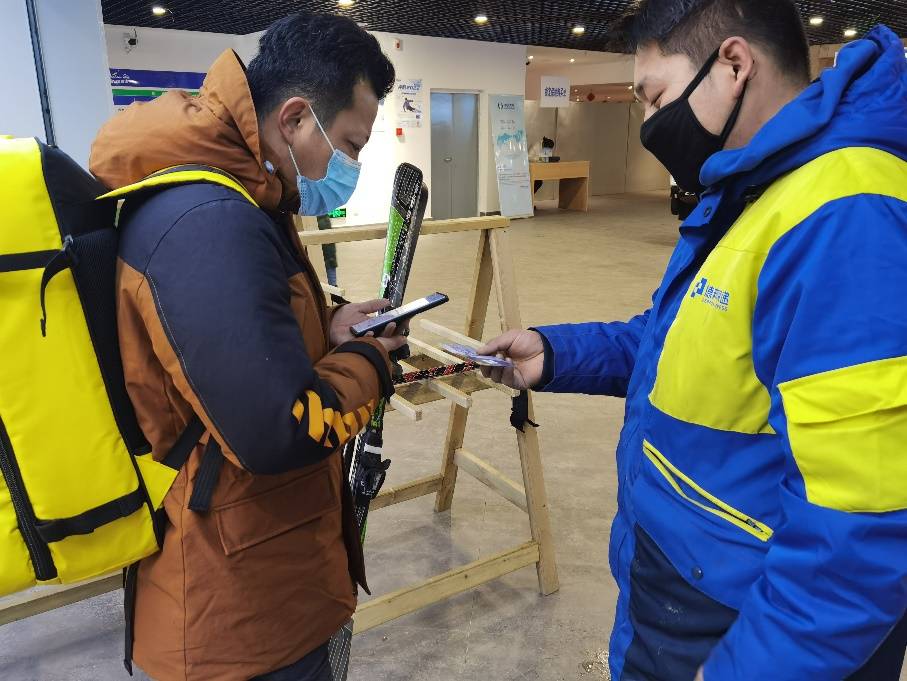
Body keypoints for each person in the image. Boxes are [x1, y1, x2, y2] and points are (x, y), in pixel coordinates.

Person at [478, 2, 907, 679]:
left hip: (740, 615)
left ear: (732, 64)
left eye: (655, 96)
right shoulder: (758, 189)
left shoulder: (845, 214)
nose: (651, 125)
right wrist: (552, 351)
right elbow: (674, 338)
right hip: (689, 576)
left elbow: (862, 526)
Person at [90, 13, 403, 681]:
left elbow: (244, 345)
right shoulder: (210, 222)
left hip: (260, 567)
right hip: (237, 614)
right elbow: (276, 433)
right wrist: (370, 365)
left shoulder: (238, 194)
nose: (347, 166)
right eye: (347, 144)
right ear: (294, 119)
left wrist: (330, 328)